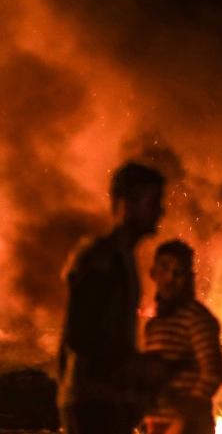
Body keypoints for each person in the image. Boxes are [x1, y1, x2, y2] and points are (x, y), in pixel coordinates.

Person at [59, 162, 166, 434]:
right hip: (95, 402)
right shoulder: (102, 260)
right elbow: (79, 334)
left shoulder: (121, 259)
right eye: (152, 203)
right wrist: (136, 366)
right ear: (127, 204)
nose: (160, 212)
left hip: (104, 400)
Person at [142, 241, 222, 434]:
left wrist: (184, 416)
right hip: (158, 424)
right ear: (153, 274)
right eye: (165, 268)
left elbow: (213, 372)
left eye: (179, 272)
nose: (171, 277)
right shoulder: (154, 325)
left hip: (190, 428)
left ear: (189, 277)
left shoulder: (196, 318)